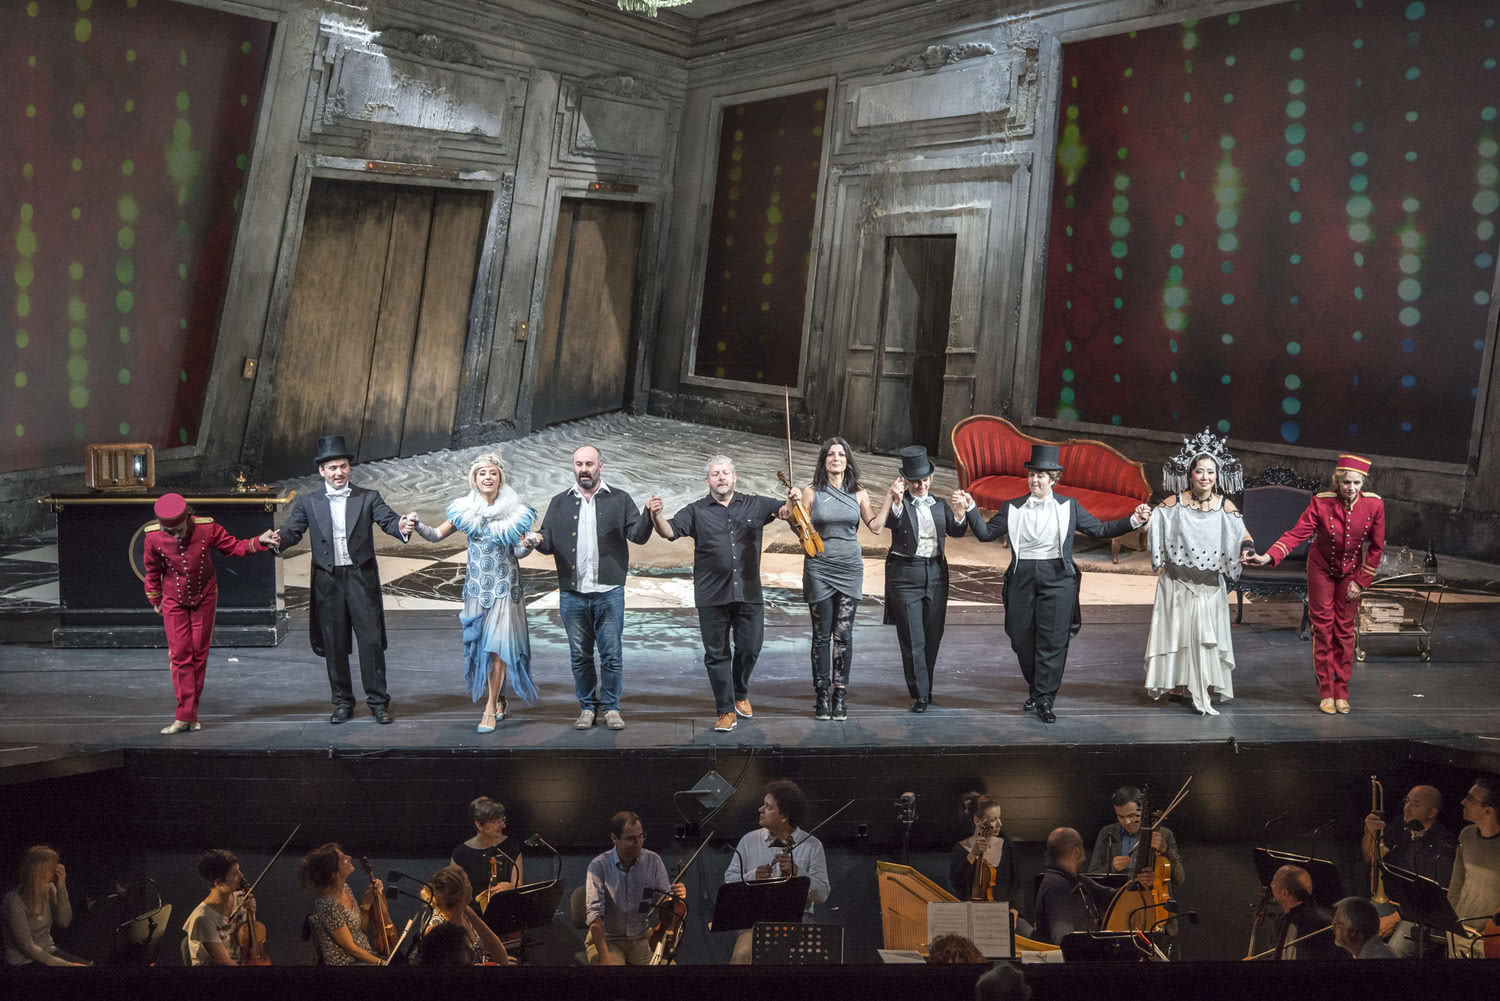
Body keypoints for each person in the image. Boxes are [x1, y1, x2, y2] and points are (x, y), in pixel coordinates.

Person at [953, 443, 1150, 723]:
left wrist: (1134, 520)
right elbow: (985, 534)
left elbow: (1100, 529)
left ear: (1053, 479)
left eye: (1041, 475)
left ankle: (1044, 698)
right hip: (1022, 577)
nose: (1035, 480)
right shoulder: (1013, 506)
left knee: (1052, 641)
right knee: (1020, 638)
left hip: (1058, 578)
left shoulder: (1069, 506)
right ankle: (1037, 688)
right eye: (1032, 474)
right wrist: (971, 508)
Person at [276, 434, 413, 724]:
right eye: (332, 468)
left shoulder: (368, 497)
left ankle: (378, 702)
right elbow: (292, 531)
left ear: (349, 468)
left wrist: (401, 525)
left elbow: (389, 520)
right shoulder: (308, 502)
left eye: (343, 467)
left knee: (371, 641)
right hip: (328, 580)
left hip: (360, 577)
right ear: (321, 471)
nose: (338, 473)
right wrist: (277, 539)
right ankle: (342, 702)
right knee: (334, 643)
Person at [647, 455, 789, 733]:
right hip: (711, 594)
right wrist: (656, 516)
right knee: (717, 654)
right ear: (707, 480)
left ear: (735, 477)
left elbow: (786, 511)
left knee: (750, 648)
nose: (721, 477)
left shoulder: (755, 504)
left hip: (748, 592)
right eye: (715, 474)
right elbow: (669, 531)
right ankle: (725, 710)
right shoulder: (696, 510)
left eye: (725, 472)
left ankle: (740, 692)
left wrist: (792, 503)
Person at [1244, 454, 1385, 714]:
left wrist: (1361, 581)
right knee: (1322, 629)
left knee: (1345, 631)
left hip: (1351, 573)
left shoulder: (1374, 505)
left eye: (1356, 483)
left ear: (1363, 483)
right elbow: (1297, 533)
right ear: (1337, 481)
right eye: (1346, 482)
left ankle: (1342, 691)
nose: (1351, 488)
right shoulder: (1321, 503)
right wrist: (1269, 556)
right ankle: (1326, 692)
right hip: (1320, 569)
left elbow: (1376, 547)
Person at [525, 445, 654, 730]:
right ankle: (586, 707)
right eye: (579, 464)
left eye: (589, 464)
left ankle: (611, 708)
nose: (584, 469)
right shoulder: (559, 502)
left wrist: (649, 515)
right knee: (580, 656)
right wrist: (535, 540)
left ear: (600, 466)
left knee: (611, 655)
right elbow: (548, 541)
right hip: (573, 594)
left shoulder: (619, 499)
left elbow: (638, 536)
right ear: (574, 467)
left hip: (609, 592)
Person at [410, 454, 537, 732]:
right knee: (482, 648)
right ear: (474, 479)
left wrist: (529, 544)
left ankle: (489, 708)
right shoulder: (465, 510)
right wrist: (416, 525)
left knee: (497, 649)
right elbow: (435, 535)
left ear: (500, 478)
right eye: (482, 473)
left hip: (505, 588)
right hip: (477, 590)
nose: (487, 477)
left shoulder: (515, 512)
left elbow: (518, 552)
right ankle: (500, 698)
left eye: (492, 473)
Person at [143, 493, 280, 734]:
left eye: (179, 530)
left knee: (198, 653)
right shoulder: (153, 536)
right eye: (170, 532)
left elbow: (234, 546)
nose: (175, 536)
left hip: (204, 596)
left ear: (188, 517)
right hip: (173, 598)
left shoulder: (207, 528)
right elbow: (152, 570)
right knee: (180, 654)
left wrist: (259, 540)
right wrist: (155, 598)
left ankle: (189, 714)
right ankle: (184, 715)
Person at [1144, 431, 1251, 716]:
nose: (1205, 477)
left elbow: (1242, 533)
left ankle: (1201, 684)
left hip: (1208, 585)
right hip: (1177, 581)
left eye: (1210, 472)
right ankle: (1178, 683)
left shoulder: (1225, 506)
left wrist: (1247, 548)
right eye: (1200, 471)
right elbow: (1154, 523)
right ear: (1190, 474)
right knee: (1176, 633)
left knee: (1205, 636)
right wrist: (1143, 519)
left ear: (1218, 476)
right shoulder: (1173, 504)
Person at [793, 437, 882, 721]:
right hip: (819, 567)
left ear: (847, 461)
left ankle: (840, 695)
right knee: (821, 635)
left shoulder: (859, 493)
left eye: (841, 454)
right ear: (824, 461)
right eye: (831, 454)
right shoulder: (810, 492)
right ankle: (821, 694)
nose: (836, 458)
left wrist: (892, 499)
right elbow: (799, 529)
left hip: (850, 568)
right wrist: (792, 506)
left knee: (843, 635)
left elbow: (876, 526)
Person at [883, 445, 968, 713]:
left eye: (924, 480)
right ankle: (920, 693)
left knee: (933, 635)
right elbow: (892, 522)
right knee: (913, 636)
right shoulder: (901, 503)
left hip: (936, 574)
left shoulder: (939, 504)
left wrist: (959, 513)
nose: (920, 486)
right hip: (905, 574)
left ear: (931, 478)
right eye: (915, 482)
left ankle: (924, 686)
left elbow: (956, 530)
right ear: (906, 481)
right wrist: (896, 501)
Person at [724, 780, 831, 964]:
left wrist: (798, 873)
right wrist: (752, 877)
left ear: (784, 816)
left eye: (768, 807)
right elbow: (729, 882)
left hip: (799, 921)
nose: (760, 810)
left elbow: (822, 893)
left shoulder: (813, 845)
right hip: (756, 922)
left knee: (821, 959)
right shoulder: (748, 841)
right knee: (742, 955)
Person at [1362, 783, 1455, 957]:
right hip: (1394, 903)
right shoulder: (1401, 826)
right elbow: (1371, 856)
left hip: (1421, 914)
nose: (1407, 808)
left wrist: (1393, 919)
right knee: (1358, 931)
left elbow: (1432, 897)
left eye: (1415, 804)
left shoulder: (1442, 844)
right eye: (1407, 801)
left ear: (1432, 813)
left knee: (1394, 951)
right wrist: (1369, 832)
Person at [583, 811, 684, 966]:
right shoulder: (599, 866)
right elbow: (595, 917)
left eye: (641, 836)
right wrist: (604, 957)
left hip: (639, 938)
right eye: (631, 839)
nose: (638, 843)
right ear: (614, 838)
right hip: (608, 939)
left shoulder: (653, 861)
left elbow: (664, 902)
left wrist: (675, 897)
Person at [298, 842, 386, 965]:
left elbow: (361, 927)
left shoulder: (345, 888)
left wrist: (367, 904)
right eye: (342, 859)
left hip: (363, 958)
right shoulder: (327, 904)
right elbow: (351, 948)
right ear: (333, 873)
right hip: (347, 965)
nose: (349, 857)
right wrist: (382, 963)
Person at [2, 845, 85, 966]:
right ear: (39, 871)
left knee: (90, 968)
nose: (57, 869)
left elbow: (64, 921)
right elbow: (28, 947)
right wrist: (68, 965)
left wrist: (61, 887)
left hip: (48, 951)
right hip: (23, 961)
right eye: (52, 867)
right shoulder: (14, 901)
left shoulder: (49, 888)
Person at [1087, 786, 1186, 887]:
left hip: (1152, 895)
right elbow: (1092, 877)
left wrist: (1165, 850)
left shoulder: (1164, 833)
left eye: (1131, 815)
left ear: (1142, 810)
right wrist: (1112, 867)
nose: (1127, 822)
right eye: (1121, 817)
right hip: (1119, 895)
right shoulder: (1107, 833)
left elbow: (1179, 879)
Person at [1447, 775, 1500, 957]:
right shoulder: (1466, 835)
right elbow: (1456, 884)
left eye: (1470, 799)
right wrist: (1451, 923)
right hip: (1459, 931)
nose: (1463, 802)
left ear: (1488, 811)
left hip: (1489, 940)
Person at [1032, 827, 1112, 945]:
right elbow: (1065, 940)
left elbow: (1111, 896)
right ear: (1076, 851)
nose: (1084, 857)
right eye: (1082, 848)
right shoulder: (1059, 888)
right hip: (1081, 956)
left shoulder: (1075, 880)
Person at [421, 864, 512, 965]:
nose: (471, 885)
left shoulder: (465, 911)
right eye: (468, 882)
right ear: (459, 893)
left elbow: (496, 948)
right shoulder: (438, 927)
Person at [183, 849, 251, 966]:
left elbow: (248, 939)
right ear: (219, 882)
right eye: (235, 874)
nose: (241, 876)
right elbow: (224, 963)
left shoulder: (241, 899)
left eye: (239, 870)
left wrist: (252, 912)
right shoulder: (202, 919)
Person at [451, 796, 523, 906]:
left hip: (504, 909)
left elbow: (519, 886)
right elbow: (454, 893)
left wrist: (511, 887)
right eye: (497, 822)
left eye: (503, 820)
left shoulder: (511, 846)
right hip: (472, 912)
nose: (503, 826)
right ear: (479, 825)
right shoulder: (460, 853)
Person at [951, 793, 1019, 906]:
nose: (1000, 824)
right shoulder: (960, 849)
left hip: (1003, 910)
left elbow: (1016, 884)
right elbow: (957, 884)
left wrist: (1014, 908)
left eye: (999, 818)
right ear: (977, 821)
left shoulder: (1007, 847)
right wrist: (973, 854)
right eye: (993, 819)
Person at [1268, 864, 1340, 960]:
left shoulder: (1323, 925)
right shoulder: (1280, 920)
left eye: (1274, 882)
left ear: (1285, 893)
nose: (1271, 885)